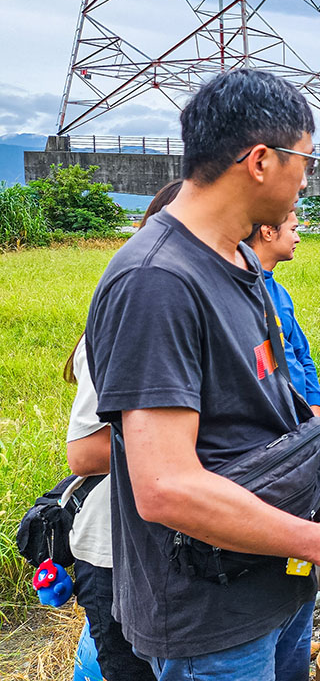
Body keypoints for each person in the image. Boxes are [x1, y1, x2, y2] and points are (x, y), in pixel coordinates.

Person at [85, 68, 320, 680]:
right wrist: (316, 542)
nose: (306, 180)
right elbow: (164, 485)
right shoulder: (156, 282)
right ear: (261, 161)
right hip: (211, 619)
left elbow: (273, 402)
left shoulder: (240, 258)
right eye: (306, 161)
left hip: (273, 581)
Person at [66, 180, 181, 681]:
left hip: (165, 550)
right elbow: (85, 453)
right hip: (116, 554)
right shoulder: (127, 318)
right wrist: (180, 447)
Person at [247, 210, 320, 417]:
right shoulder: (239, 292)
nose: (297, 238)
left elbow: (302, 354)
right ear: (268, 232)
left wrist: (314, 408)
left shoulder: (280, 293)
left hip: (300, 420)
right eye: (293, 229)